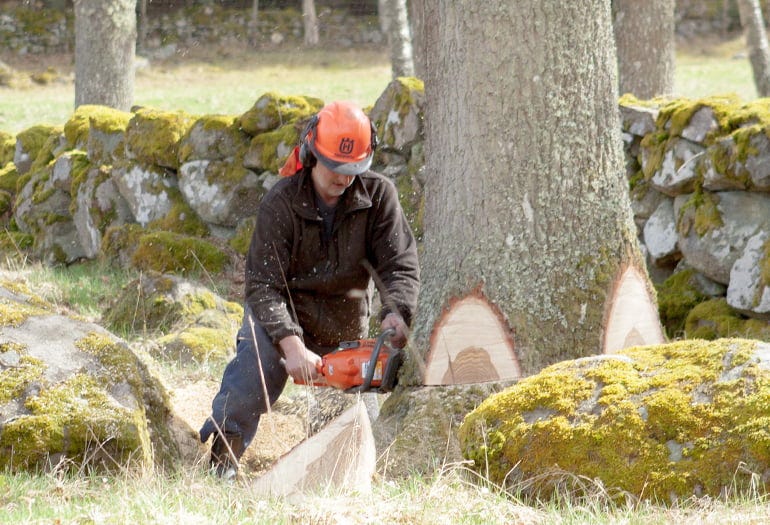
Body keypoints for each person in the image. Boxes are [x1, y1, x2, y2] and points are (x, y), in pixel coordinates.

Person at [199, 100, 420, 478]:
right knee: (254, 376)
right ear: (312, 153)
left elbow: (398, 264)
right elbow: (263, 286)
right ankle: (222, 459)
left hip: (344, 319)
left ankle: (329, 472)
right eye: (335, 167)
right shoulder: (281, 202)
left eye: (353, 169)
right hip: (281, 313)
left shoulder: (379, 197)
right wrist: (290, 342)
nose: (343, 177)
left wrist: (397, 312)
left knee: (355, 416)